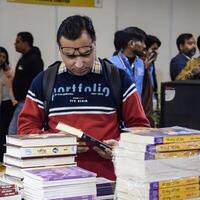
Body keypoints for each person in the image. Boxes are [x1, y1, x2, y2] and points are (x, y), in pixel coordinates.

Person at [18, 15, 150, 180]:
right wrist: (58, 144)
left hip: (107, 180)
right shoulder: (44, 81)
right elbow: (26, 129)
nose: (79, 63)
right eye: (69, 55)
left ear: (94, 43)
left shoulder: (118, 78)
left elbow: (140, 128)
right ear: (60, 49)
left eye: (85, 53)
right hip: (55, 181)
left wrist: (121, 147)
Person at [8, 32, 44, 135]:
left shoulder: (34, 59)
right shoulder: (23, 58)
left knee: (13, 132)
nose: (15, 44)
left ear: (26, 43)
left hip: (27, 102)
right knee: (13, 132)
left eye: (18, 41)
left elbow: (38, 80)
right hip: (19, 101)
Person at [110, 27, 146, 99]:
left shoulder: (140, 63)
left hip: (137, 107)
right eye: (142, 42)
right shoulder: (113, 64)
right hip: (120, 108)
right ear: (132, 44)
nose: (144, 46)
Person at [0, 47, 17, 161]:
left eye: (4, 57)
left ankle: (4, 157)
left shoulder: (9, 70)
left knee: (5, 131)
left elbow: (13, 86)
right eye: (0, 56)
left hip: (8, 104)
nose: (1, 59)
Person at [142, 35, 161, 127]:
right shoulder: (139, 64)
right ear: (145, 49)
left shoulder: (151, 65)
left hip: (152, 106)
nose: (156, 52)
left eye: (157, 50)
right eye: (153, 49)